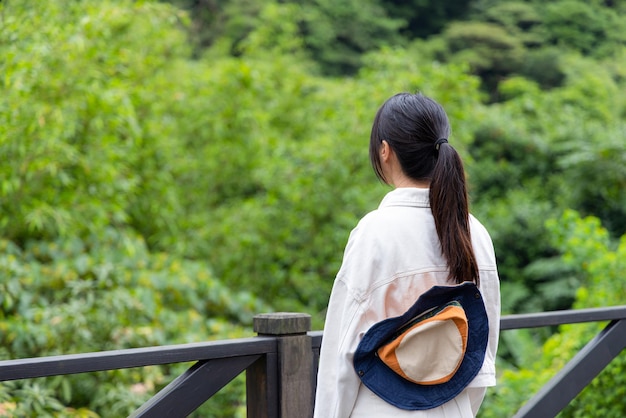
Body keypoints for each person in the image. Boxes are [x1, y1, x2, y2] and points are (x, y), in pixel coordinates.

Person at [313, 93, 500, 417]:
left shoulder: (374, 233)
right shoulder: (475, 232)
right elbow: (483, 347)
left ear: (385, 151)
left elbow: (340, 359)